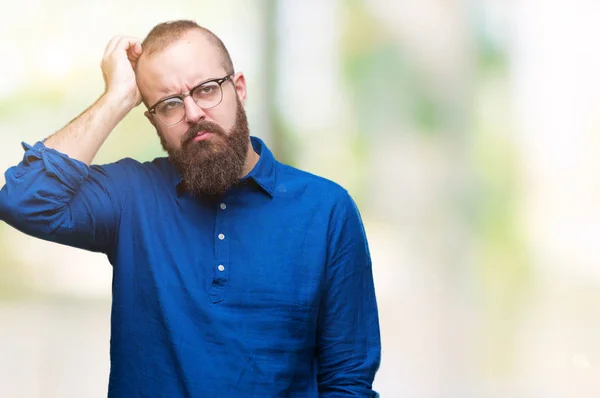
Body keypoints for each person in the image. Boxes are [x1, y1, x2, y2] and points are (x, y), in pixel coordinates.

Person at [0, 20, 381, 397]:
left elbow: (348, 382)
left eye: (207, 89)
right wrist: (115, 98)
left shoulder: (327, 210)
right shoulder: (131, 195)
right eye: (169, 104)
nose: (194, 112)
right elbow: (22, 199)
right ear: (153, 122)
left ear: (240, 89)